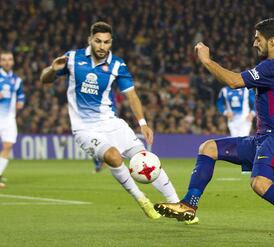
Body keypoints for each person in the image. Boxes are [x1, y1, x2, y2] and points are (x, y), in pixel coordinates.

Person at [154, 18, 274, 243]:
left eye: (258, 39)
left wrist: (207, 61)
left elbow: (235, 81)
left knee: (260, 184)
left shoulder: (270, 67)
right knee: (208, 148)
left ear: (272, 41)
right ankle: (189, 204)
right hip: (263, 138)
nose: (254, 43)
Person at [40, 21, 198, 223]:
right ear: (90, 40)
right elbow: (45, 79)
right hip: (85, 129)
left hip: (113, 124)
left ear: (111, 42)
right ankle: (142, 200)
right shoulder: (72, 58)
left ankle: (179, 206)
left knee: (147, 160)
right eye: (98, 41)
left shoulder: (117, 65)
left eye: (106, 42)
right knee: (113, 157)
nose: (102, 46)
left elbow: (131, 96)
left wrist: (143, 122)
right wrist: (53, 70)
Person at [0, 51, 25, 188]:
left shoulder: (17, 80)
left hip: (9, 118)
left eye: (10, 59)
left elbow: (21, 95)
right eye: (4, 60)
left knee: (8, 145)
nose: (7, 62)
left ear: (13, 62)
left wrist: (20, 102)